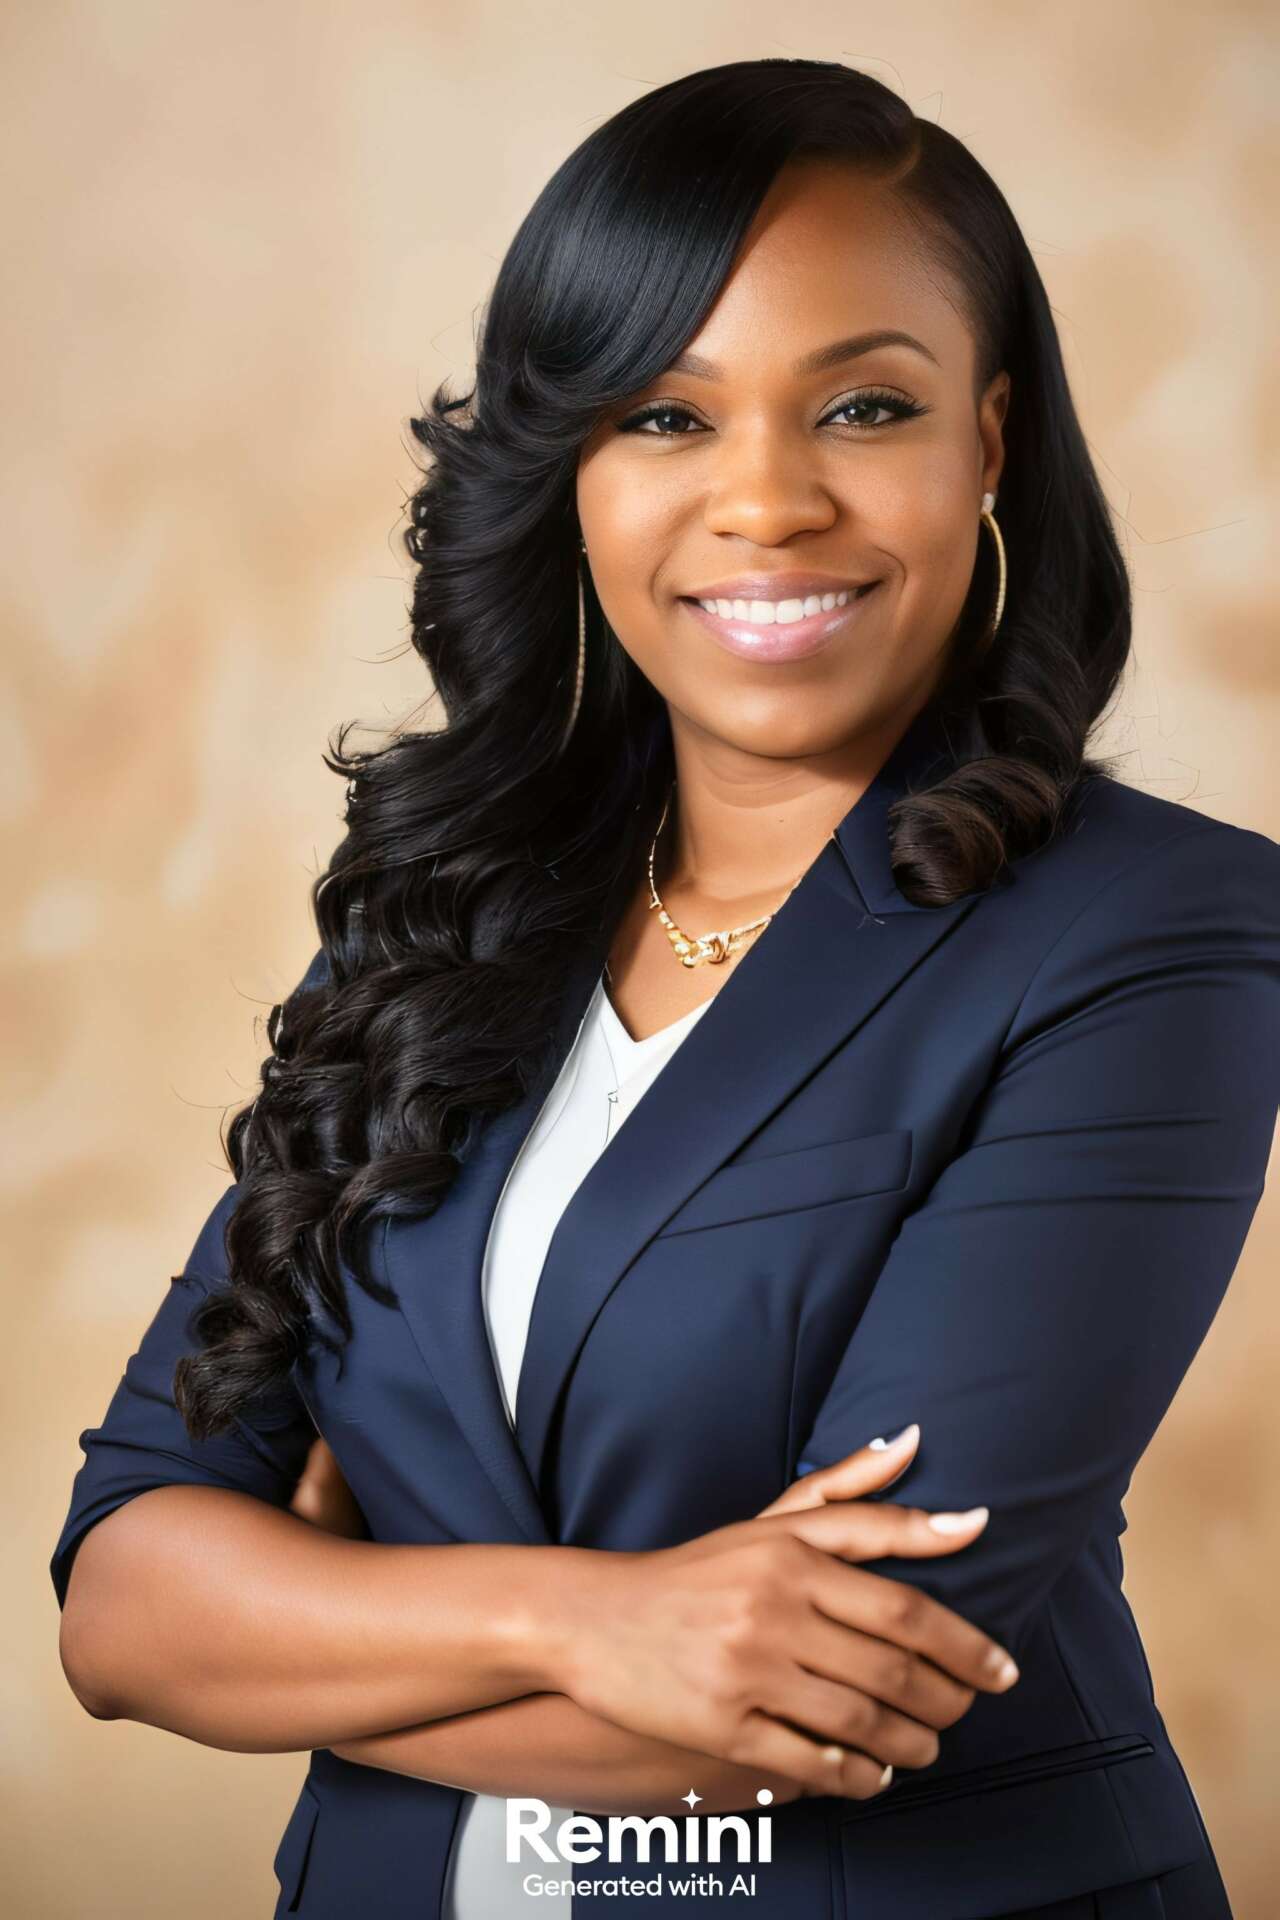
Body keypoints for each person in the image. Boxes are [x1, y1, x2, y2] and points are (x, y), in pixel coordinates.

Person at [51, 56, 1276, 1920]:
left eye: (863, 406)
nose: (766, 502)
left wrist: (319, 1625)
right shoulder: (443, 924)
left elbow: (835, 1689)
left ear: (990, 442)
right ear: (574, 474)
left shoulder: (1149, 931)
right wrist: (598, 1622)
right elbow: (126, 1605)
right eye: (665, 417)